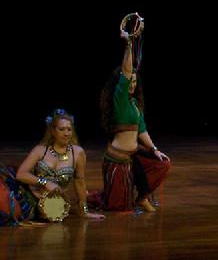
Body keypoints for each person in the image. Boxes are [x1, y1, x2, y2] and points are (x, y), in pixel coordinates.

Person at [93, 29, 171, 212]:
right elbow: (127, 71)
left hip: (133, 156)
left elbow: (142, 131)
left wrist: (154, 149)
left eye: (135, 83)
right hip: (117, 161)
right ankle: (100, 196)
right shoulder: (119, 100)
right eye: (130, 82)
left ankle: (142, 197)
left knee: (163, 163)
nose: (132, 85)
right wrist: (128, 43)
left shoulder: (135, 104)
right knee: (119, 208)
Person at [1, 109, 104, 226]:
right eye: (62, 129)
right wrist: (45, 182)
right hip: (30, 198)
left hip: (54, 203)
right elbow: (21, 174)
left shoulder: (78, 153)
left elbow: (79, 182)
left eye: (69, 130)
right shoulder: (40, 150)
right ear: (53, 131)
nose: (66, 133)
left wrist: (84, 211)